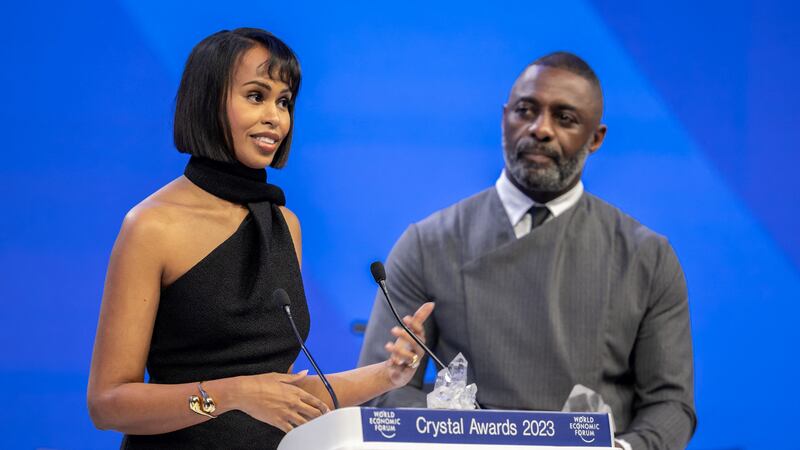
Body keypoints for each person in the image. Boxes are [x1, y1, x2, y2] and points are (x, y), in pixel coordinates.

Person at [87, 28, 432, 450]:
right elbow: (108, 404)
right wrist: (232, 394)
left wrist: (390, 374)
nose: (275, 117)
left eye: (284, 102)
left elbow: (284, 396)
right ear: (208, 102)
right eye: (256, 96)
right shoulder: (152, 226)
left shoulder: (284, 224)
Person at [358, 52, 696, 449]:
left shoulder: (647, 257)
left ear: (596, 138)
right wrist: (459, 436)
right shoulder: (428, 244)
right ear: (504, 118)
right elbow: (380, 392)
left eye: (565, 118)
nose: (541, 129)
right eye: (526, 111)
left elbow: (671, 406)